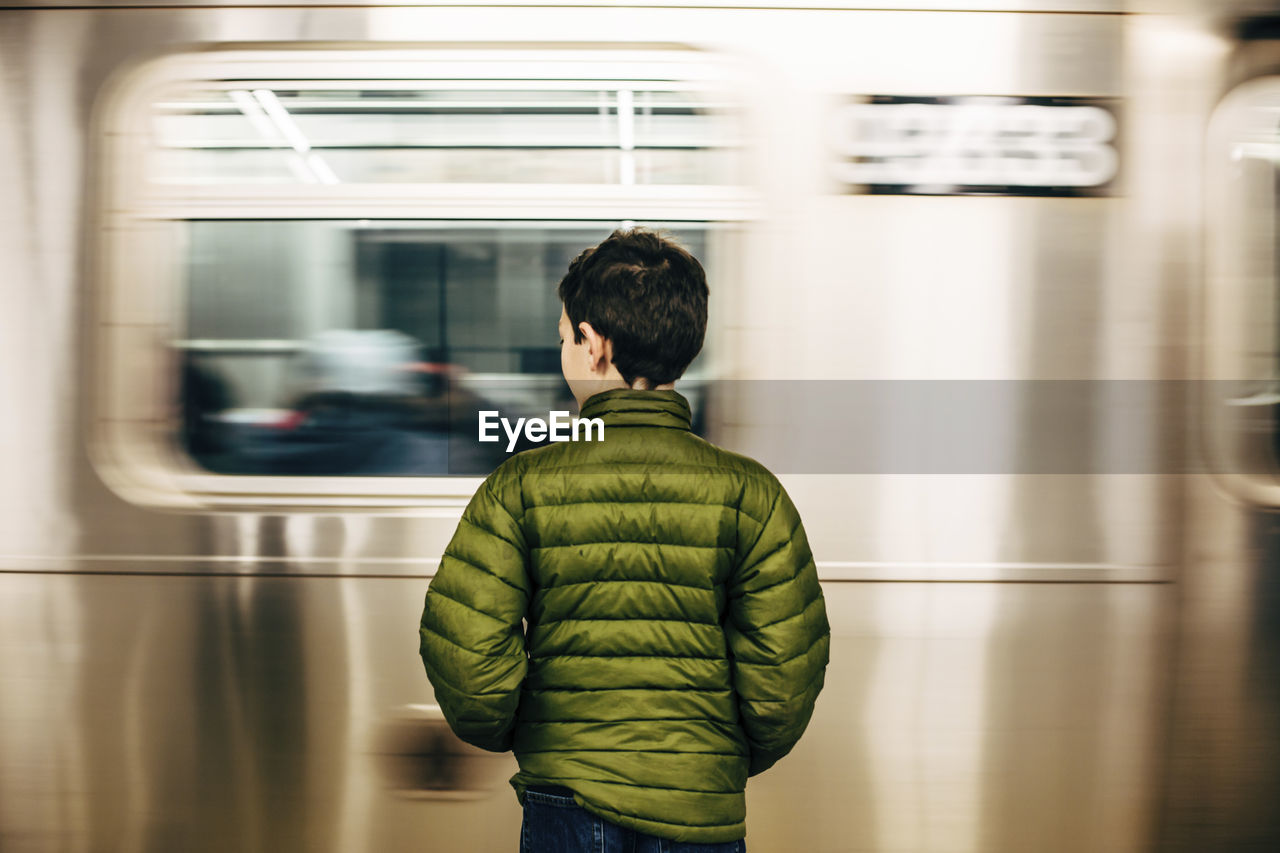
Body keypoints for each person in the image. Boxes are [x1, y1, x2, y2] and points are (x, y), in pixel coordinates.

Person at [418, 228, 830, 851]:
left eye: (564, 337)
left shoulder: (523, 485)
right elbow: (784, 675)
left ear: (594, 345)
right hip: (702, 803)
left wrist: (538, 732)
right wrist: (707, 757)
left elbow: (468, 662)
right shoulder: (752, 494)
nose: (564, 351)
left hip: (566, 798)